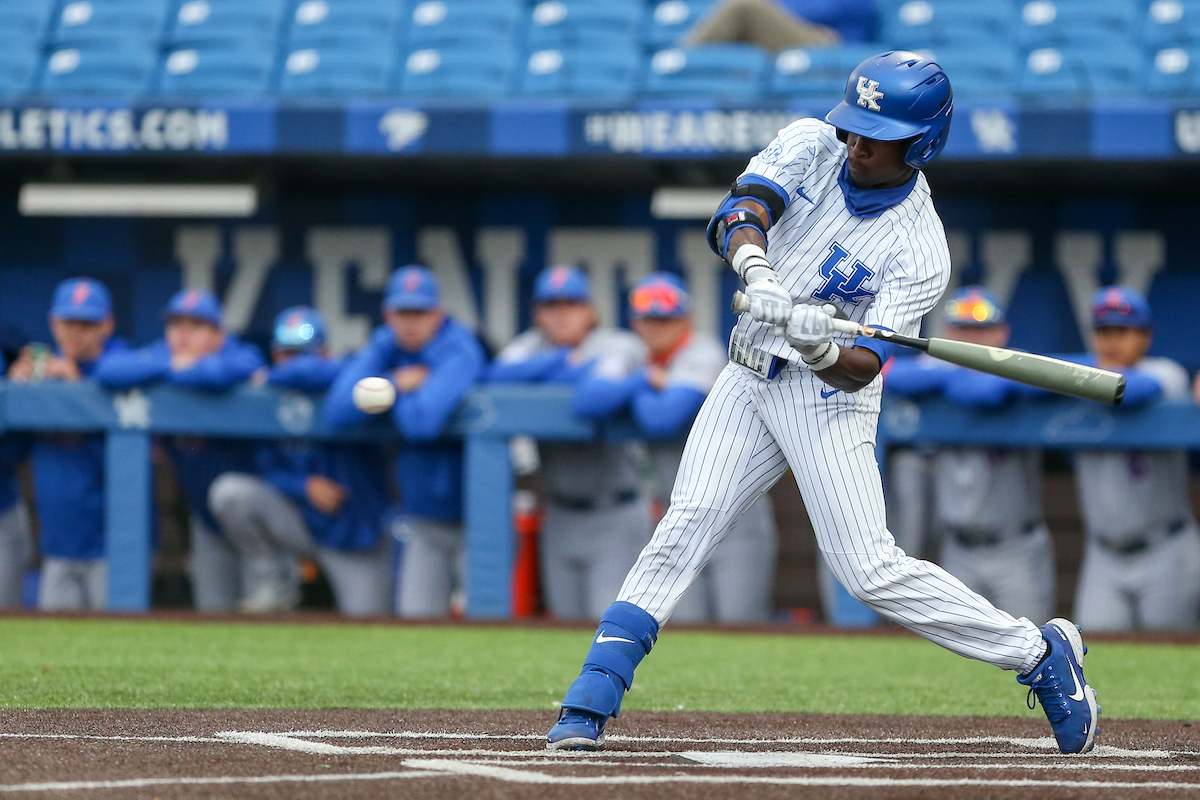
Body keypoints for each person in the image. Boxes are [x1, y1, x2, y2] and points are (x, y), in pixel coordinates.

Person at [546, 51, 1099, 756]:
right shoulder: (813, 142)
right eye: (855, 125)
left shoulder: (920, 247)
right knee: (683, 526)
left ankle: (1038, 653)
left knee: (868, 571)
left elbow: (861, 368)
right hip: (747, 374)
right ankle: (590, 699)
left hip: (825, 400)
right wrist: (757, 269)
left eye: (878, 135)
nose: (857, 142)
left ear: (920, 145)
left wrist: (816, 347)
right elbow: (740, 211)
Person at [577, 271, 778, 623]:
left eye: (665, 319)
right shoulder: (637, 358)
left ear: (686, 319)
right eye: (648, 319)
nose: (656, 328)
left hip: (735, 517)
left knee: (741, 630)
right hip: (681, 520)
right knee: (683, 630)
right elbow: (587, 402)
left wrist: (631, 390)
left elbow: (663, 418)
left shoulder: (703, 351)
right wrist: (644, 380)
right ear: (635, 321)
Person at [489, 265, 652, 621]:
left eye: (571, 304)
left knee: (608, 627)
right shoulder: (530, 346)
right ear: (537, 313)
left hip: (616, 511)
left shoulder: (617, 344)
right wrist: (563, 362)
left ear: (590, 311)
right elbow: (495, 377)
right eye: (551, 305)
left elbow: (594, 398)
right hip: (559, 514)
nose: (561, 314)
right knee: (564, 629)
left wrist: (540, 377)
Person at [208, 307, 393, 615]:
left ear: (325, 352)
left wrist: (271, 375)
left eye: (304, 353)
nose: (294, 362)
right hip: (298, 523)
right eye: (286, 353)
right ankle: (275, 577)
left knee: (370, 623)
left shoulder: (349, 379)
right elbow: (265, 469)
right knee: (230, 492)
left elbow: (313, 372)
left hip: (352, 533)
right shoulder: (268, 399)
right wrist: (304, 485)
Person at [885, 286, 1054, 624]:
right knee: (958, 648)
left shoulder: (1019, 365)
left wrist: (982, 381)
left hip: (1015, 547)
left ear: (1001, 333)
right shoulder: (935, 370)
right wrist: (956, 377)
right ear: (949, 334)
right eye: (962, 330)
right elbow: (889, 373)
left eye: (981, 330)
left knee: (1030, 641)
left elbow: (990, 391)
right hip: (958, 549)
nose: (971, 339)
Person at [325, 266, 485, 618]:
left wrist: (383, 393)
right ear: (388, 314)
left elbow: (421, 423)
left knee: (488, 629)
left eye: (420, 312)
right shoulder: (386, 344)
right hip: (423, 520)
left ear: (438, 314)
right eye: (402, 312)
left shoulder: (459, 347)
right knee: (415, 625)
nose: (410, 322)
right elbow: (336, 410)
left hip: (477, 523)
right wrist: (397, 383)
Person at [93, 289, 265, 611]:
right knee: (214, 615)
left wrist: (174, 371)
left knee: (267, 617)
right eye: (175, 325)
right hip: (204, 518)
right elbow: (108, 370)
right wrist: (172, 365)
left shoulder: (238, 352)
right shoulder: (164, 355)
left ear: (217, 335)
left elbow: (228, 371)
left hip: (252, 521)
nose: (183, 334)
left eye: (196, 326)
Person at [1070, 286, 1200, 631]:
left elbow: (1128, 390)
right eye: (1103, 331)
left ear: (1145, 337)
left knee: (1170, 653)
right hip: (1102, 554)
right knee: (1094, 649)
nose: (1111, 341)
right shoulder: (1074, 377)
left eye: (1123, 331)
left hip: (1166, 548)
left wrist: (1068, 373)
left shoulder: (1167, 374)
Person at [7, 278, 122, 610]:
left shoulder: (120, 366)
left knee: (120, 638)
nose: (77, 332)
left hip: (112, 548)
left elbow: (127, 464)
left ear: (107, 324)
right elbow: (12, 455)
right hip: (57, 549)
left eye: (88, 324)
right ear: (53, 323)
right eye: (69, 322)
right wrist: (16, 395)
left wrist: (77, 390)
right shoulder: (42, 374)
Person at [684, 0, 875, 51]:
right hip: (797, 32)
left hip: (829, 41)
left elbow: (825, 10)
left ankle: (682, 61)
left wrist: (773, 10)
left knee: (744, 7)